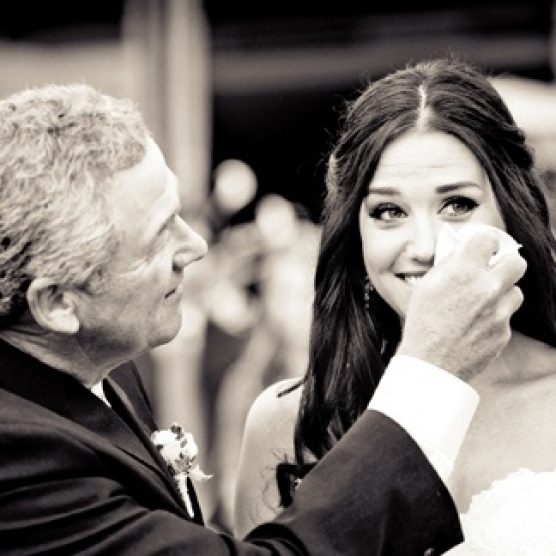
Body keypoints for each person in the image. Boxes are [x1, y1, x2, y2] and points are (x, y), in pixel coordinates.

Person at [0, 83, 524, 555]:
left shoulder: (94, 368)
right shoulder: (20, 461)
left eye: (458, 203)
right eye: (159, 236)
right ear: (59, 303)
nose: (196, 246)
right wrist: (431, 370)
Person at [234, 58, 556, 551]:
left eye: (458, 204)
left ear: (511, 212)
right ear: (355, 235)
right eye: (389, 211)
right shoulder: (286, 422)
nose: (424, 246)